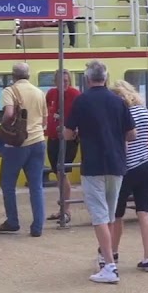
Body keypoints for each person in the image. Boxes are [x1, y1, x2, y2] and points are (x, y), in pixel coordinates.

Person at [64, 60, 136, 284]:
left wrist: (78, 133)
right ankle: (107, 256)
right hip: (117, 163)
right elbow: (132, 134)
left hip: (93, 164)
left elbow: (67, 134)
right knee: (111, 214)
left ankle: (109, 266)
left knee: (99, 216)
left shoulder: (81, 101)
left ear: (87, 79)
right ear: (106, 77)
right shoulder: (118, 101)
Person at [109, 80, 148, 272]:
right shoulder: (145, 112)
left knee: (117, 215)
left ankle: (112, 253)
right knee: (144, 213)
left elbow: (121, 143)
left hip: (125, 169)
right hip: (147, 166)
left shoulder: (120, 113)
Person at [0, 62, 48, 236]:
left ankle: (13, 221)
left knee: (7, 183)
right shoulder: (39, 92)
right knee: (36, 185)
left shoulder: (10, 91)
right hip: (38, 141)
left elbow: (9, 114)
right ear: (28, 75)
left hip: (17, 144)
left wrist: (2, 129)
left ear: (13, 76)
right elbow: (45, 121)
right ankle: (37, 226)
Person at [45, 69, 80, 224]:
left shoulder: (74, 94)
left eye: (66, 81)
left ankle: (66, 210)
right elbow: (48, 111)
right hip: (53, 138)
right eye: (60, 81)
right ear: (55, 82)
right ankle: (62, 208)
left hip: (68, 139)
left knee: (62, 171)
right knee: (58, 174)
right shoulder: (51, 94)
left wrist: (76, 129)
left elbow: (81, 114)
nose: (63, 84)